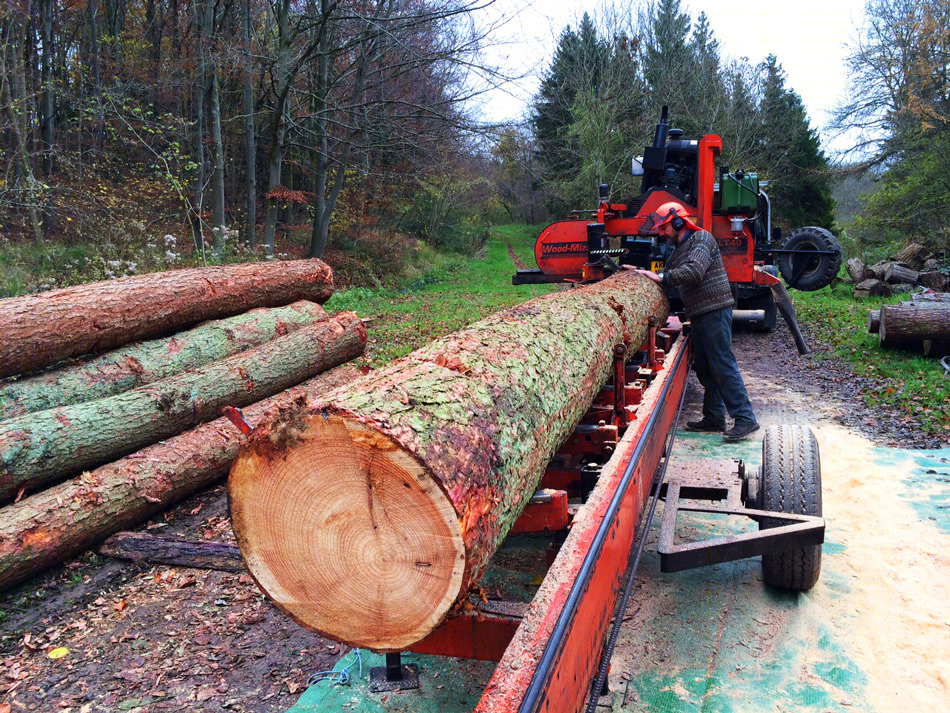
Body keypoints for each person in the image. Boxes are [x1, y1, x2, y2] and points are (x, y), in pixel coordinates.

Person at [634, 201, 759, 442]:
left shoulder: (702, 239)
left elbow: (692, 273)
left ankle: (745, 418)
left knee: (722, 364)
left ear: (678, 221)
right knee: (705, 367)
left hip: (715, 310)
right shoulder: (679, 249)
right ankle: (714, 417)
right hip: (699, 313)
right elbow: (667, 277)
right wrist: (639, 273)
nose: (661, 233)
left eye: (664, 227)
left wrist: (660, 276)